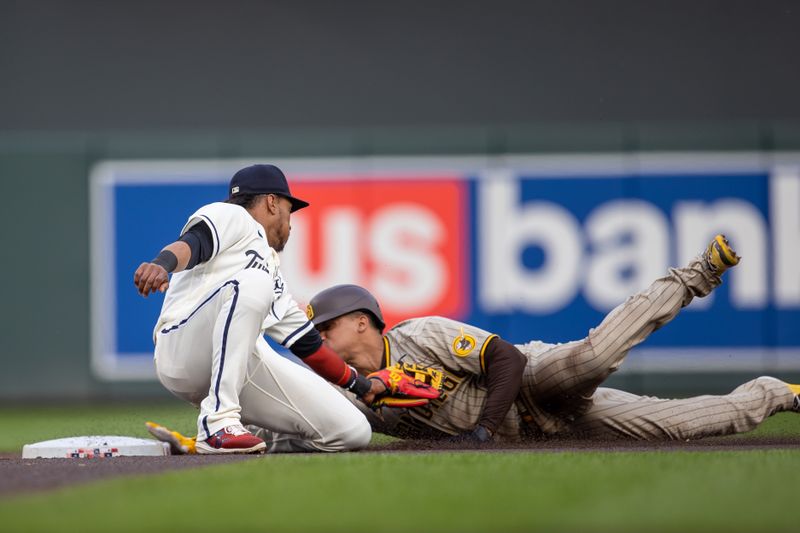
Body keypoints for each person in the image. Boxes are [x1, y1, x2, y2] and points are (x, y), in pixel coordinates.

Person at [304, 235, 800, 443]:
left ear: (362, 320)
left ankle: (697, 274)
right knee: (680, 426)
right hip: (548, 430)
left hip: (533, 383)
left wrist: (484, 429)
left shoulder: (420, 334)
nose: (320, 337)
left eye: (326, 326)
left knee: (595, 356)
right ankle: (781, 393)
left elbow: (504, 359)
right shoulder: (356, 395)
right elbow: (313, 426)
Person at [134, 164, 384, 454]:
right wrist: (162, 264)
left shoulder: (271, 271)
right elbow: (194, 243)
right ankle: (217, 424)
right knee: (253, 283)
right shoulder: (231, 215)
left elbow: (308, 345)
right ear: (272, 202)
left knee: (350, 431)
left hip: (236, 363)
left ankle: (228, 437)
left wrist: (363, 387)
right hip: (183, 348)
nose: (290, 223)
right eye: (290, 211)